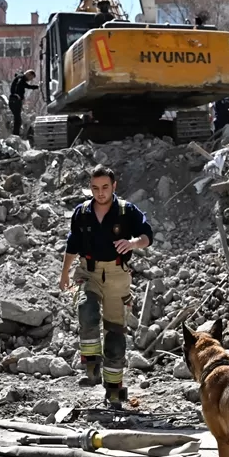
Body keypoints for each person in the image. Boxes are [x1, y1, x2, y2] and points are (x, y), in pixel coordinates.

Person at [59, 165, 155, 407]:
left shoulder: (126, 211)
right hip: (87, 272)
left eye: (104, 187)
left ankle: (114, 391)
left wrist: (133, 243)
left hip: (116, 275)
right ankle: (91, 367)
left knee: (114, 335)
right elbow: (72, 244)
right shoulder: (81, 212)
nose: (100, 193)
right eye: (94, 188)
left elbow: (147, 236)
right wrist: (64, 275)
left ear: (114, 186)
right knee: (86, 310)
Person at [8, 70, 37, 136]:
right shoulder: (21, 78)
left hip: (15, 100)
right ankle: (15, 135)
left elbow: (27, 86)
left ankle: (16, 134)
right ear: (29, 74)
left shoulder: (21, 79)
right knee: (17, 119)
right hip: (14, 100)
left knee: (18, 119)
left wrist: (36, 87)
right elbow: (15, 87)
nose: (30, 80)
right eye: (31, 78)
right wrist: (16, 95)